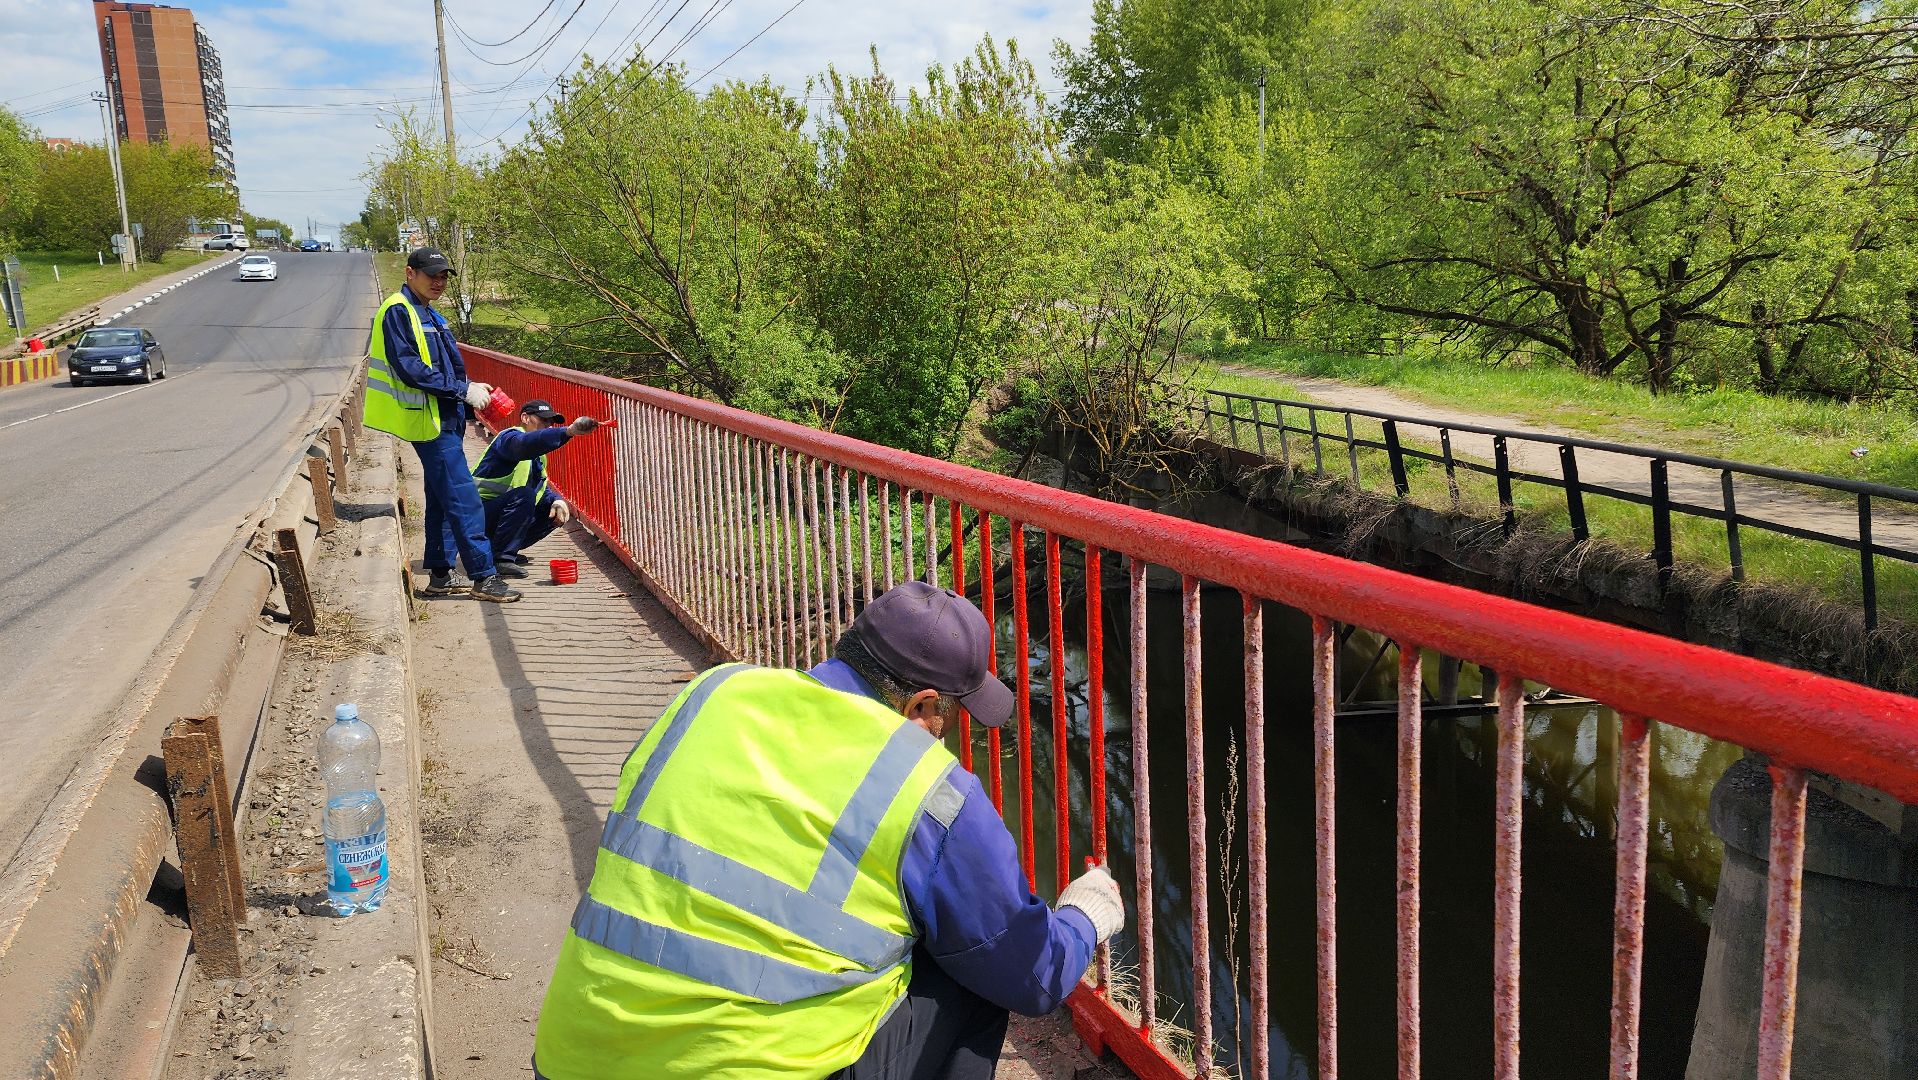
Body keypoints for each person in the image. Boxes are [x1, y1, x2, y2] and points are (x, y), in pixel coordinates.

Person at [533, 581, 1126, 1080]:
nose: (945, 733)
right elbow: (1030, 972)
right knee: (973, 966)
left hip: (571, 1057)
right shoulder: (927, 788)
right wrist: (1084, 915)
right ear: (920, 707)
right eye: (949, 714)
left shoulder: (713, 691)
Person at [362, 246, 519, 603]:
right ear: (409, 273)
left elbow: (441, 367)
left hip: (442, 417)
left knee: (442, 498)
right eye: (431, 274)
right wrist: (462, 390)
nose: (439, 281)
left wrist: (470, 387)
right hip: (428, 422)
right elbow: (410, 368)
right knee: (465, 499)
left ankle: (440, 574)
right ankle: (483, 576)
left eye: (444, 275)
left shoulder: (426, 312)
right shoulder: (399, 311)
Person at [473, 399, 600, 577]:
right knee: (523, 495)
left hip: (492, 516)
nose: (547, 426)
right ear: (525, 417)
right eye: (543, 420)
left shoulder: (538, 457)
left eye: (551, 423)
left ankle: (503, 549)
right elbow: (524, 445)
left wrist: (557, 500)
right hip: (474, 517)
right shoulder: (509, 438)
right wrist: (568, 431)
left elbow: (541, 488)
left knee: (554, 509)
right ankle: (501, 558)